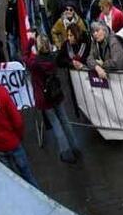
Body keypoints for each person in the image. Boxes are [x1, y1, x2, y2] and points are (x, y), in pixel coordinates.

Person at [23, 34, 81, 163]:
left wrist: (31, 40)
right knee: (65, 120)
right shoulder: (52, 58)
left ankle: (66, 152)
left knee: (56, 124)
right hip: (56, 93)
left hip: (45, 97)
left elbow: (25, 56)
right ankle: (75, 147)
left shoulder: (35, 63)